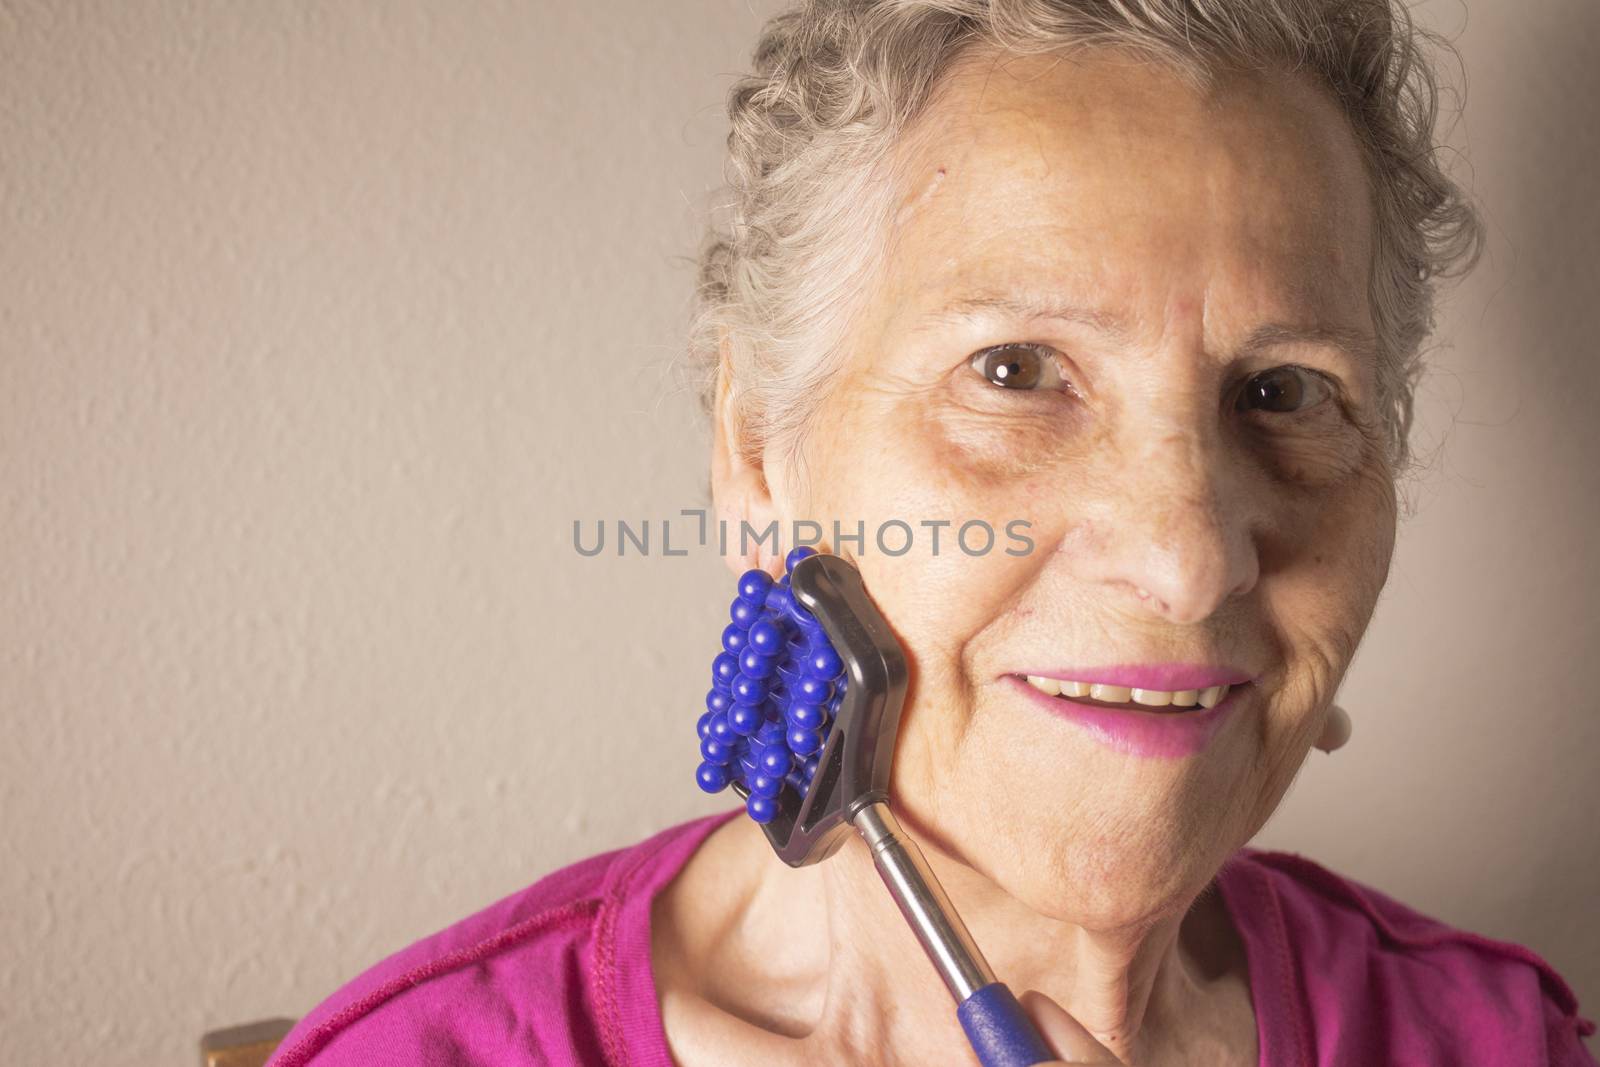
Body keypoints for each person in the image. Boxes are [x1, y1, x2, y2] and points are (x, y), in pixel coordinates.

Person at [266, 1, 1598, 1063]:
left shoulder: (1491, 1042)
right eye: (1015, 372)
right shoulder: (430, 1056)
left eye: (1285, 394)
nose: (1190, 560)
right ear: (754, 450)